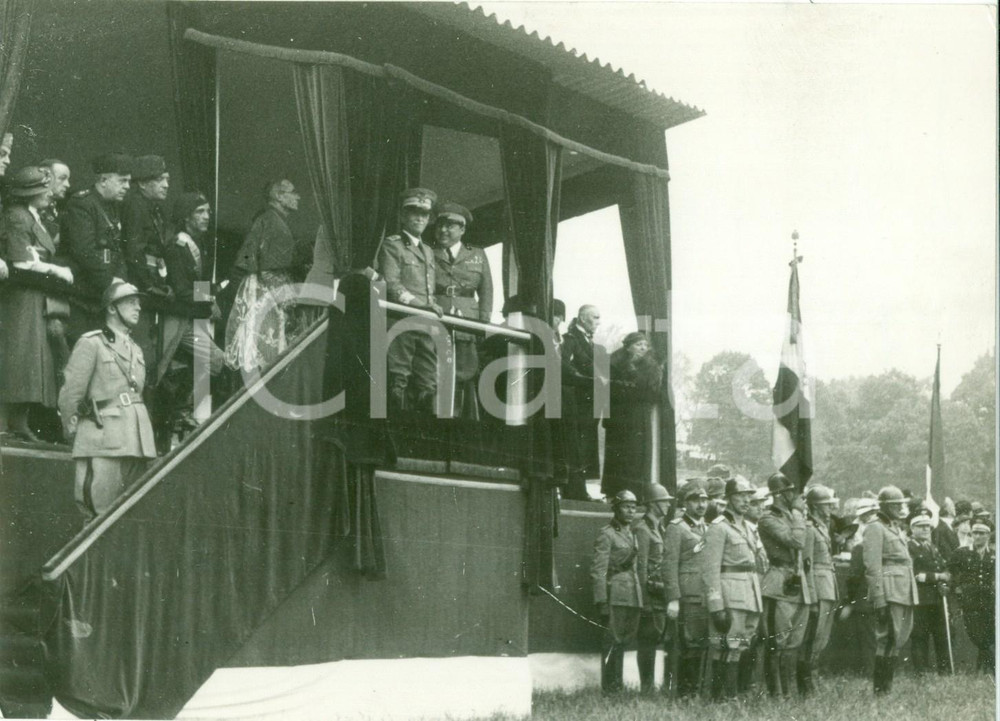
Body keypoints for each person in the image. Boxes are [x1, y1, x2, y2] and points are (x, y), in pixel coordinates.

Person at [58, 280, 156, 520]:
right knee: (97, 513)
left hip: (137, 441)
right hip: (103, 438)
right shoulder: (92, 343)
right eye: (131, 302)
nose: (138, 308)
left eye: (139, 303)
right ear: (112, 308)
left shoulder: (136, 350)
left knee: (129, 518)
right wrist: (73, 431)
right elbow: (71, 393)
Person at [0, 167, 75, 441]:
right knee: (19, 360)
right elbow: (21, 261)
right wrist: (55, 271)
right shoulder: (18, 217)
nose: (49, 193)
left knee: (30, 360)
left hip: (34, 298)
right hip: (21, 299)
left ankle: (19, 422)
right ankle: (5, 424)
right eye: (44, 188)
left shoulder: (31, 216)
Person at [162, 192, 227, 435]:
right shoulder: (179, 246)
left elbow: (196, 283)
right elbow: (181, 290)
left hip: (190, 319)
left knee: (198, 365)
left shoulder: (195, 244)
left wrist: (208, 300)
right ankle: (181, 411)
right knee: (215, 359)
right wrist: (209, 301)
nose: (206, 216)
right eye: (200, 212)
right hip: (177, 321)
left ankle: (180, 412)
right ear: (186, 217)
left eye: (208, 211)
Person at [225, 179, 302, 373]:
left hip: (255, 289)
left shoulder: (268, 219)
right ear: (278, 196)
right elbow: (270, 271)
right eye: (292, 192)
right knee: (267, 353)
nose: (298, 196)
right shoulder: (274, 224)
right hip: (264, 292)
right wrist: (289, 303)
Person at [378, 187, 442, 414]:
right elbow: (393, 285)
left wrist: (431, 307)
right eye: (414, 212)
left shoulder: (428, 250)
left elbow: (429, 288)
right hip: (402, 319)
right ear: (402, 216)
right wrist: (420, 306)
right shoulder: (392, 245)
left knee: (428, 380)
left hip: (425, 323)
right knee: (399, 376)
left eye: (424, 214)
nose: (419, 218)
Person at [701, 477, 762, 701]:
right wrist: (716, 605)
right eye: (740, 496)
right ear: (728, 499)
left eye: (749, 496)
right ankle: (720, 697)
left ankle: (732, 694)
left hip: (749, 593)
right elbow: (710, 569)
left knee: (741, 644)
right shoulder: (719, 528)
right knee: (725, 645)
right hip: (730, 595)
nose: (746, 500)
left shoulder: (747, 527)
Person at [432, 201, 492, 419]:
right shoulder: (428, 252)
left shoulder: (477, 254)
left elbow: (486, 290)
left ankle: (465, 420)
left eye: (450, 226)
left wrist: (483, 322)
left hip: (467, 320)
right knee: (437, 370)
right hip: (437, 316)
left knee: (466, 371)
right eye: (440, 225)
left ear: (462, 229)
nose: (444, 230)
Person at [758, 472, 811, 698]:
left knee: (794, 642)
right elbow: (796, 540)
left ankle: (788, 692)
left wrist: (797, 513)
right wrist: (798, 513)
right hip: (779, 581)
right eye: (792, 491)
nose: (796, 495)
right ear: (780, 494)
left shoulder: (792, 516)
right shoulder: (768, 518)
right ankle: (776, 694)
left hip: (797, 580)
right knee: (777, 641)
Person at [863, 485, 918, 694]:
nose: (899, 508)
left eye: (900, 504)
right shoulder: (875, 527)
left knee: (898, 639)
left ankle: (887, 687)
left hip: (903, 590)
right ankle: (880, 689)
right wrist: (879, 599)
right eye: (895, 505)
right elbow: (872, 566)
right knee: (886, 638)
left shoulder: (894, 526)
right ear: (884, 506)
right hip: (889, 590)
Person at [600, 331, 663, 501]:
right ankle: (612, 493)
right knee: (616, 457)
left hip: (638, 419)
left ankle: (635, 494)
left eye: (645, 345)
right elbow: (607, 388)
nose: (643, 348)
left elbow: (650, 392)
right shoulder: (613, 362)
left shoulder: (651, 367)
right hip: (618, 418)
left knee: (636, 457)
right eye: (638, 344)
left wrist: (631, 374)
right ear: (627, 346)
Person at [591, 490, 642, 694]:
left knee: (623, 640)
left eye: (633, 507)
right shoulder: (607, 534)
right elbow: (598, 569)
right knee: (612, 640)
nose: (630, 511)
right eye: (626, 506)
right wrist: (601, 600)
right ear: (616, 508)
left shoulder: (632, 533)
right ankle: (610, 688)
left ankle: (617, 685)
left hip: (631, 593)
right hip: (615, 594)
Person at [61, 153, 131, 299]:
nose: (127, 187)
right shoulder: (81, 203)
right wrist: (110, 282)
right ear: (103, 180)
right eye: (122, 181)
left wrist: (121, 281)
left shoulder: (113, 206)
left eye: (128, 181)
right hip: (83, 289)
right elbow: (84, 251)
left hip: (106, 289)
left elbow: (118, 251)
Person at [663, 479, 709, 698]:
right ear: (684, 503)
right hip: (687, 594)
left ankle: (695, 690)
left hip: (704, 594)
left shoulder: (707, 528)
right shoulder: (676, 528)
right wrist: (673, 598)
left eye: (704, 500)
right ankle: (685, 694)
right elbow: (669, 564)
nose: (701, 505)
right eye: (695, 500)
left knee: (700, 642)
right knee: (688, 643)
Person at [799, 484, 840, 695]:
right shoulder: (808, 528)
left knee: (821, 637)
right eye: (825, 505)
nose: (829, 509)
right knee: (812, 637)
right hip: (818, 586)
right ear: (814, 507)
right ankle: (806, 684)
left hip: (827, 585)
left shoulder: (822, 527)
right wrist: (812, 596)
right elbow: (806, 564)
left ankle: (812, 679)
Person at [633, 482, 672, 693]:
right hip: (650, 594)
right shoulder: (642, 529)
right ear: (653, 504)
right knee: (647, 641)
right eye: (664, 501)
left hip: (661, 592)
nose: (667, 505)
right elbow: (640, 568)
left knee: (657, 639)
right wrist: (644, 601)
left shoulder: (660, 527)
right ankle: (646, 688)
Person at [561, 304, 601, 500]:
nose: (598, 322)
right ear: (583, 319)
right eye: (595, 318)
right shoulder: (571, 339)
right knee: (576, 447)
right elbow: (566, 366)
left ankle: (579, 489)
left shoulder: (587, 340)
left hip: (587, 402)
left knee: (583, 447)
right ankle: (575, 491)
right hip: (576, 401)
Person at [907, 511, 951, 674]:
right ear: (912, 528)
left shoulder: (932, 547)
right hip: (919, 598)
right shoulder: (908, 547)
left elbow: (943, 566)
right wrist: (938, 576)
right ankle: (921, 671)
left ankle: (945, 670)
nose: (926, 529)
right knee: (919, 636)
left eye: (928, 526)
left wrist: (945, 580)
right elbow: (916, 574)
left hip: (936, 598)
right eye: (921, 526)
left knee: (941, 634)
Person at [949, 517, 995, 673]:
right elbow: (951, 572)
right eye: (975, 533)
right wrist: (958, 587)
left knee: (989, 634)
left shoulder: (994, 554)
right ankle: (990, 665)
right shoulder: (961, 553)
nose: (977, 536)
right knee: (975, 633)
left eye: (982, 533)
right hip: (969, 600)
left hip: (989, 600)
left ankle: (984, 668)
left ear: (988, 535)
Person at [39, 158, 71, 242]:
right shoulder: (36, 208)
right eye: (62, 178)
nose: (68, 185)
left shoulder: (53, 206)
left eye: (68, 179)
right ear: (46, 178)